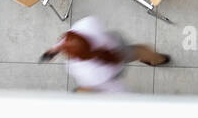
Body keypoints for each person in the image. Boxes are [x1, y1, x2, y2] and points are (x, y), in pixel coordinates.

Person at [40, 16, 169, 93]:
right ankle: (157, 59)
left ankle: (79, 94)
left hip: (112, 71)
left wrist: (55, 49)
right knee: (141, 50)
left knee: (91, 88)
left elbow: (111, 87)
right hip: (118, 49)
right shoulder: (86, 26)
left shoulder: (77, 68)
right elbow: (74, 36)